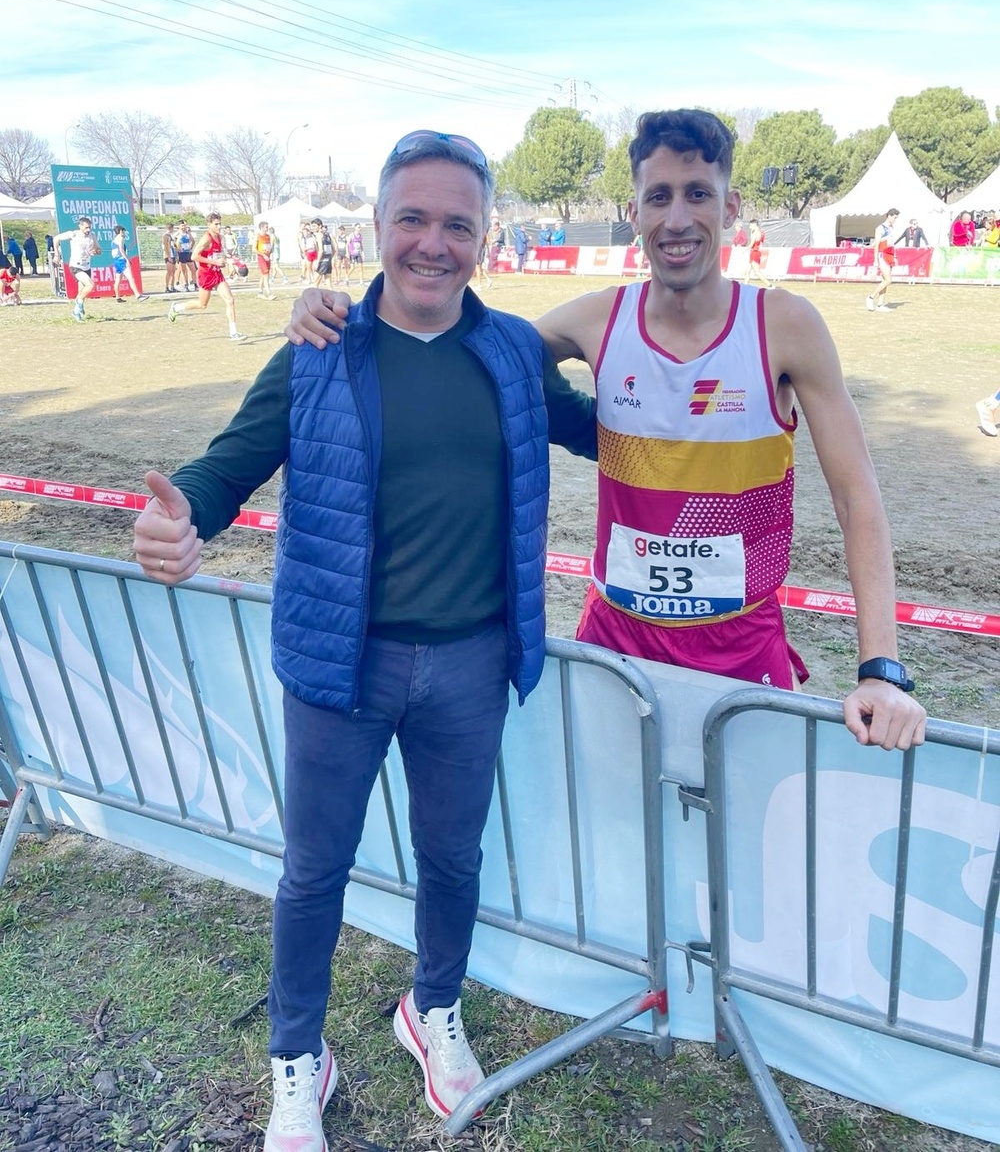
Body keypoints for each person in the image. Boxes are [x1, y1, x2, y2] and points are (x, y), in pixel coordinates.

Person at [134, 129, 595, 1148]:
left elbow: (602, 430)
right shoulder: (315, 349)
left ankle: (432, 1010)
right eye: (413, 219)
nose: (434, 242)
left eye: (457, 224)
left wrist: (736, 407)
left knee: (452, 858)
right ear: (379, 227)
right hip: (341, 666)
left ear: (486, 237)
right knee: (314, 870)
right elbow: (227, 464)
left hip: (473, 662)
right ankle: (297, 1055)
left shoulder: (513, 350)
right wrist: (184, 518)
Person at [287, 109, 926, 754]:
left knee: (736, 854)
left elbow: (856, 498)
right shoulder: (597, 321)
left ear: (730, 206)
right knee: (606, 851)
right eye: (659, 197)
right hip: (614, 655)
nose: (677, 219)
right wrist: (341, 311)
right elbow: (456, 345)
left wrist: (881, 668)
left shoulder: (786, 326)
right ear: (634, 211)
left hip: (741, 658)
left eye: (697, 194)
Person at [167, 212, 246, 341]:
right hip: (206, 275)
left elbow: (219, 256)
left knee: (230, 300)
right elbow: (194, 257)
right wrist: (215, 262)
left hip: (217, 273)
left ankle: (234, 333)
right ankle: (176, 308)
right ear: (209, 224)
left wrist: (234, 261)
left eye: (220, 223)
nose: (219, 226)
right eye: (216, 224)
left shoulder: (220, 238)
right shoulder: (206, 238)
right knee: (202, 305)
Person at [53, 216, 101, 321]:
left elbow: (98, 249)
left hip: (86, 266)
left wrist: (96, 251)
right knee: (91, 285)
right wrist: (57, 254)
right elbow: (56, 238)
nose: (88, 230)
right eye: (86, 228)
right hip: (75, 266)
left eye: (89, 228)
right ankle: (77, 306)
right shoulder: (73, 234)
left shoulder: (92, 235)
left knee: (82, 291)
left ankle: (77, 311)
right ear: (80, 226)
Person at [867, 208, 899, 312]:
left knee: (885, 280)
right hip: (882, 255)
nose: (895, 220)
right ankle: (871, 297)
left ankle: (880, 304)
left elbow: (891, 243)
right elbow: (876, 245)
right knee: (888, 280)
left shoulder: (890, 229)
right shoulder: (880, 228)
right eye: (894, 217)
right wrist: (875, 260)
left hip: (889, 254)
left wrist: (894, 256)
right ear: (889, 216)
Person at [110, 223, 145, 302]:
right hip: (121, 260)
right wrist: (127, 259)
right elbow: (121, 250)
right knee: (130, 278)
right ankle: (138, 295)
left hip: (116, 261)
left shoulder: (113, 240)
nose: (124, 233)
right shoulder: (121, 238)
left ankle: (117, 297)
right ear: (121, 231)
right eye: (123, 231)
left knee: (118, 280)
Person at [746, 219, 772, 287]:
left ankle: (770, 285)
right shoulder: (760, 232)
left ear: (755, 225)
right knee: (747, 270)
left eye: (750, 225)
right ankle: (745, 285)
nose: (749, 227)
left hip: (755, 252)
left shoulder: (756, 233)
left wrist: (743, 250)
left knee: (757, 272)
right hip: (755, 252)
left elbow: (751, 244)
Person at [255, 220, 275, 299]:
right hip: (262, 257)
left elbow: (270, 248)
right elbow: (254, 249)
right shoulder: (258, 236)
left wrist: (272, 241)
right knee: (266, 274)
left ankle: (260, 292)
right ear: (262, 227)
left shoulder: (268, 236)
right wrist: (263, 255)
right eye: (266, 227)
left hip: (268, 257)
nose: (267, 228)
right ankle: (269, 294)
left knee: (264, 275)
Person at [175, 221, 197, 292]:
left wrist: (190, 247)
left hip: (188, 252)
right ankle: (186, 284)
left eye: (184, 226)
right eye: (182, 226)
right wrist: (177, 250)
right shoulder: (177, 234)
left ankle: (195, 284)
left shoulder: (188, 233)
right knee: (184, 270)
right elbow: (173, 241)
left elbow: (193, 241)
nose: (183, 227)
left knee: (193, 269)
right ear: (179, 226)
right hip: (181, 253)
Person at [162, 222, 179, 293]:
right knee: (169, 272)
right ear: (170, 228)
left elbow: (174, 246)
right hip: (168, 255)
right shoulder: (165, 236)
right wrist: (168, 256)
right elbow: (165, 247)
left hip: (173, 255)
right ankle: (166, 287)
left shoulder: (170, 236)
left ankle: (172, 286)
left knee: (173, 271)